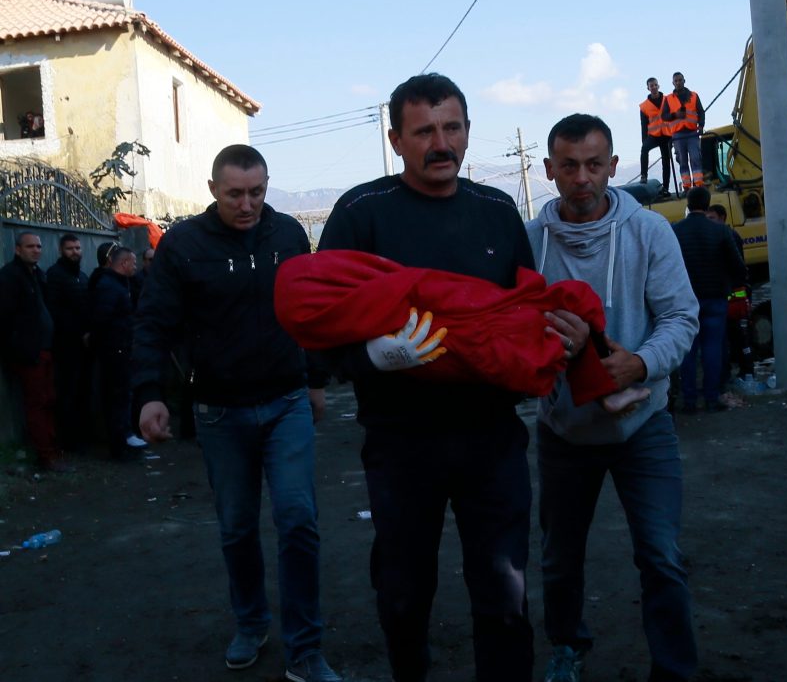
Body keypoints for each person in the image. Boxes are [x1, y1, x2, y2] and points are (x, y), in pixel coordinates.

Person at [317, 73, 535, 682]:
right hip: (401, 441)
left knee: (505, 587)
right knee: (405, 589)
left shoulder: (497, 212)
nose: (441, 144)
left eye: (452, 128)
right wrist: (373, 357)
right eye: (424, 132)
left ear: (467, 131)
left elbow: (524, 312)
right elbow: (320, 326)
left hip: (492, 437)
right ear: (396, 140)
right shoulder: (361, 214)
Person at [132, 145, 341, 682]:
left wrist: (316, 379)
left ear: (267, 186)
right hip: (220, 413)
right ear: (212, 189)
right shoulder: (184, 245)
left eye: (257, 192)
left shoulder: (289, 235)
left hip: (286, 401)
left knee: (298, 521)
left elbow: (311, 310)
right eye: (235, 194)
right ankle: (251, 623)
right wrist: (149, 393)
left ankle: (305, 648)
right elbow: (153, 321)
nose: (247, 204)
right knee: (236, 528)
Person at [526, 113, 699, 682]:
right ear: (549, 170)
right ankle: (568, 648)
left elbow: (680, 316)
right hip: (563, 431)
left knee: (661, 556)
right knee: (558, 557)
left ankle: (673, 669)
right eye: (570, 166)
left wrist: (640, 362)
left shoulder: (649, 232)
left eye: (594, 165)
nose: (583, 178)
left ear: (614, 167)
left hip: (642, 426)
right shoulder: (530, 242)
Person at [0, 232, 71, 471]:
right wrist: (20, 349)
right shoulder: (10, 277)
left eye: (39, 246)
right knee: (38, 403)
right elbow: (6, 318)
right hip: (29, 353)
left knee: (49, 400)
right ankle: (45, 455)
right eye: (30, 246)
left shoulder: (38, 275)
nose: (36, 250)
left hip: (46, 349)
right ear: (18, 249)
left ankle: (51, 449)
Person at [672, 187, 748, 413]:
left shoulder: (676, 231)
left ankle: (689, 401)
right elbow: (738, 267)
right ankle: (712, 399)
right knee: (714, 348)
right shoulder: (721, 231)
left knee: (688, 350)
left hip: (685, 300)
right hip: (715, 298)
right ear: (707, 205)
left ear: (687, 203)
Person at [91, 246, 147, 457]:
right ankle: (119, 442)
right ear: (123, 264)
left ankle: (124, 437)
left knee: (122, 395)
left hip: (121, 348)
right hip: (115, 351)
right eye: (133, 263)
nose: (136, 267)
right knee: (117, 397)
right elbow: (102, 320)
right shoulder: (109, 287)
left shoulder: (119, 284)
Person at [46, 234, 93, 450]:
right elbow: (57, 312)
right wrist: (78, 334)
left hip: (84, 347)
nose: (75, 252)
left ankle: (82, 436)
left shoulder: (82, 276)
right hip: (66, 347)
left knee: (83, 391)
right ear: (60, 251)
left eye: (77, 248)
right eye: (70, 249)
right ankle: (69, 440)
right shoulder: (55, 276)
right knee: (68, 392)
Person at [705, 205, 754, 387]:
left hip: (734, 299)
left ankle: (747, 371)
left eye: (712, 218)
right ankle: (737, 372)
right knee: (726, 338)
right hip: (725, 297)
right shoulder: (719, 236)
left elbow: (738, 268)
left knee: (740, 337)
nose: (709, 222)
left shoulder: (729, 236)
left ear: (723, 217)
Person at [660, 72, 705, 192]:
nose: (678, 82)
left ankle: (699, 184)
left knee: (696, 158)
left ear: (684, 81)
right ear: (673, 83)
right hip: (678, 135)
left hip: (692, 133)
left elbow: (701, 111)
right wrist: (675, 115)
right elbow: (664, 116)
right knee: (683, 161)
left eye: (680, 80)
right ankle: (686, 187)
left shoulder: (694, 96)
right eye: (676, 81)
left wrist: (701, 126)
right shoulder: (668, 99)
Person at [638, 77, 671, 194]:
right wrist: (644, 140)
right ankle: (644, 175)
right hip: (654, 135)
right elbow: (644, 124)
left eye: (655, 85)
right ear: (648, 88)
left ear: (658, 86)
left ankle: (666, 188)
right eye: (651, 86)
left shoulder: (668, 100)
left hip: (667, 135)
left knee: (666, 161)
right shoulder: (644, 106)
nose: (654, 87)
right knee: (644, 149)